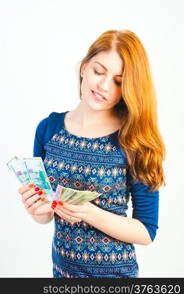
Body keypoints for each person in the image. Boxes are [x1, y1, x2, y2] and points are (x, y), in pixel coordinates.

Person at [18, 29, 166, 278]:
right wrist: (38, 210)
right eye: (99, 71)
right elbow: (46, 214)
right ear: (84, 67)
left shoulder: (133, 141)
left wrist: (88, 212)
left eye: (118, 81)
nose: (103, 86)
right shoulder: (48, 129)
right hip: (61, 274)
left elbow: (146, 232)